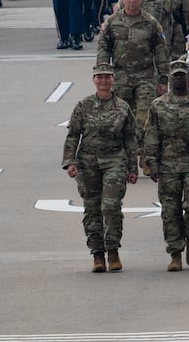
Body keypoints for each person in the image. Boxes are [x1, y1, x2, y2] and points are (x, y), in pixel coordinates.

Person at [62, 64, 138, 273]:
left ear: (113, 80)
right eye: (99, 77)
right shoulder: (83, 106)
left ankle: (112, 249)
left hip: (114, 160)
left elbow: (130, 138)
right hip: (88, 162)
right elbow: (73, 135)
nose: (103, 81)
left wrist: (133, 167)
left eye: (107, 77)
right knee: (92, 208)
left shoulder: (122, 107)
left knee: (111, 206)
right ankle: (97, 254)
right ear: (94, 80)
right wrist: (70, 162)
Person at [144, 59, 189, 271]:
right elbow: (152, 135)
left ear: (188, 77)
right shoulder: (158, 105)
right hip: (167, 164)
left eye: (182, 74)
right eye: (175, 75)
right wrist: (151, 162)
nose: (179, 78)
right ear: (170, 78)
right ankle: (175, 252)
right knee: (170, 211)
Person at [95, 0, 168, 151]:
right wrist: (103, 74)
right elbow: (104, 48)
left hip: (145, 77)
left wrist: (164, 79)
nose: (132, 1)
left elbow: (161, 51)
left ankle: (144, 154)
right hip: (120, 76)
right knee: (122, 117)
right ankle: (125, 154)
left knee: (145, 117)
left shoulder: (151, 23)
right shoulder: (113, 22)